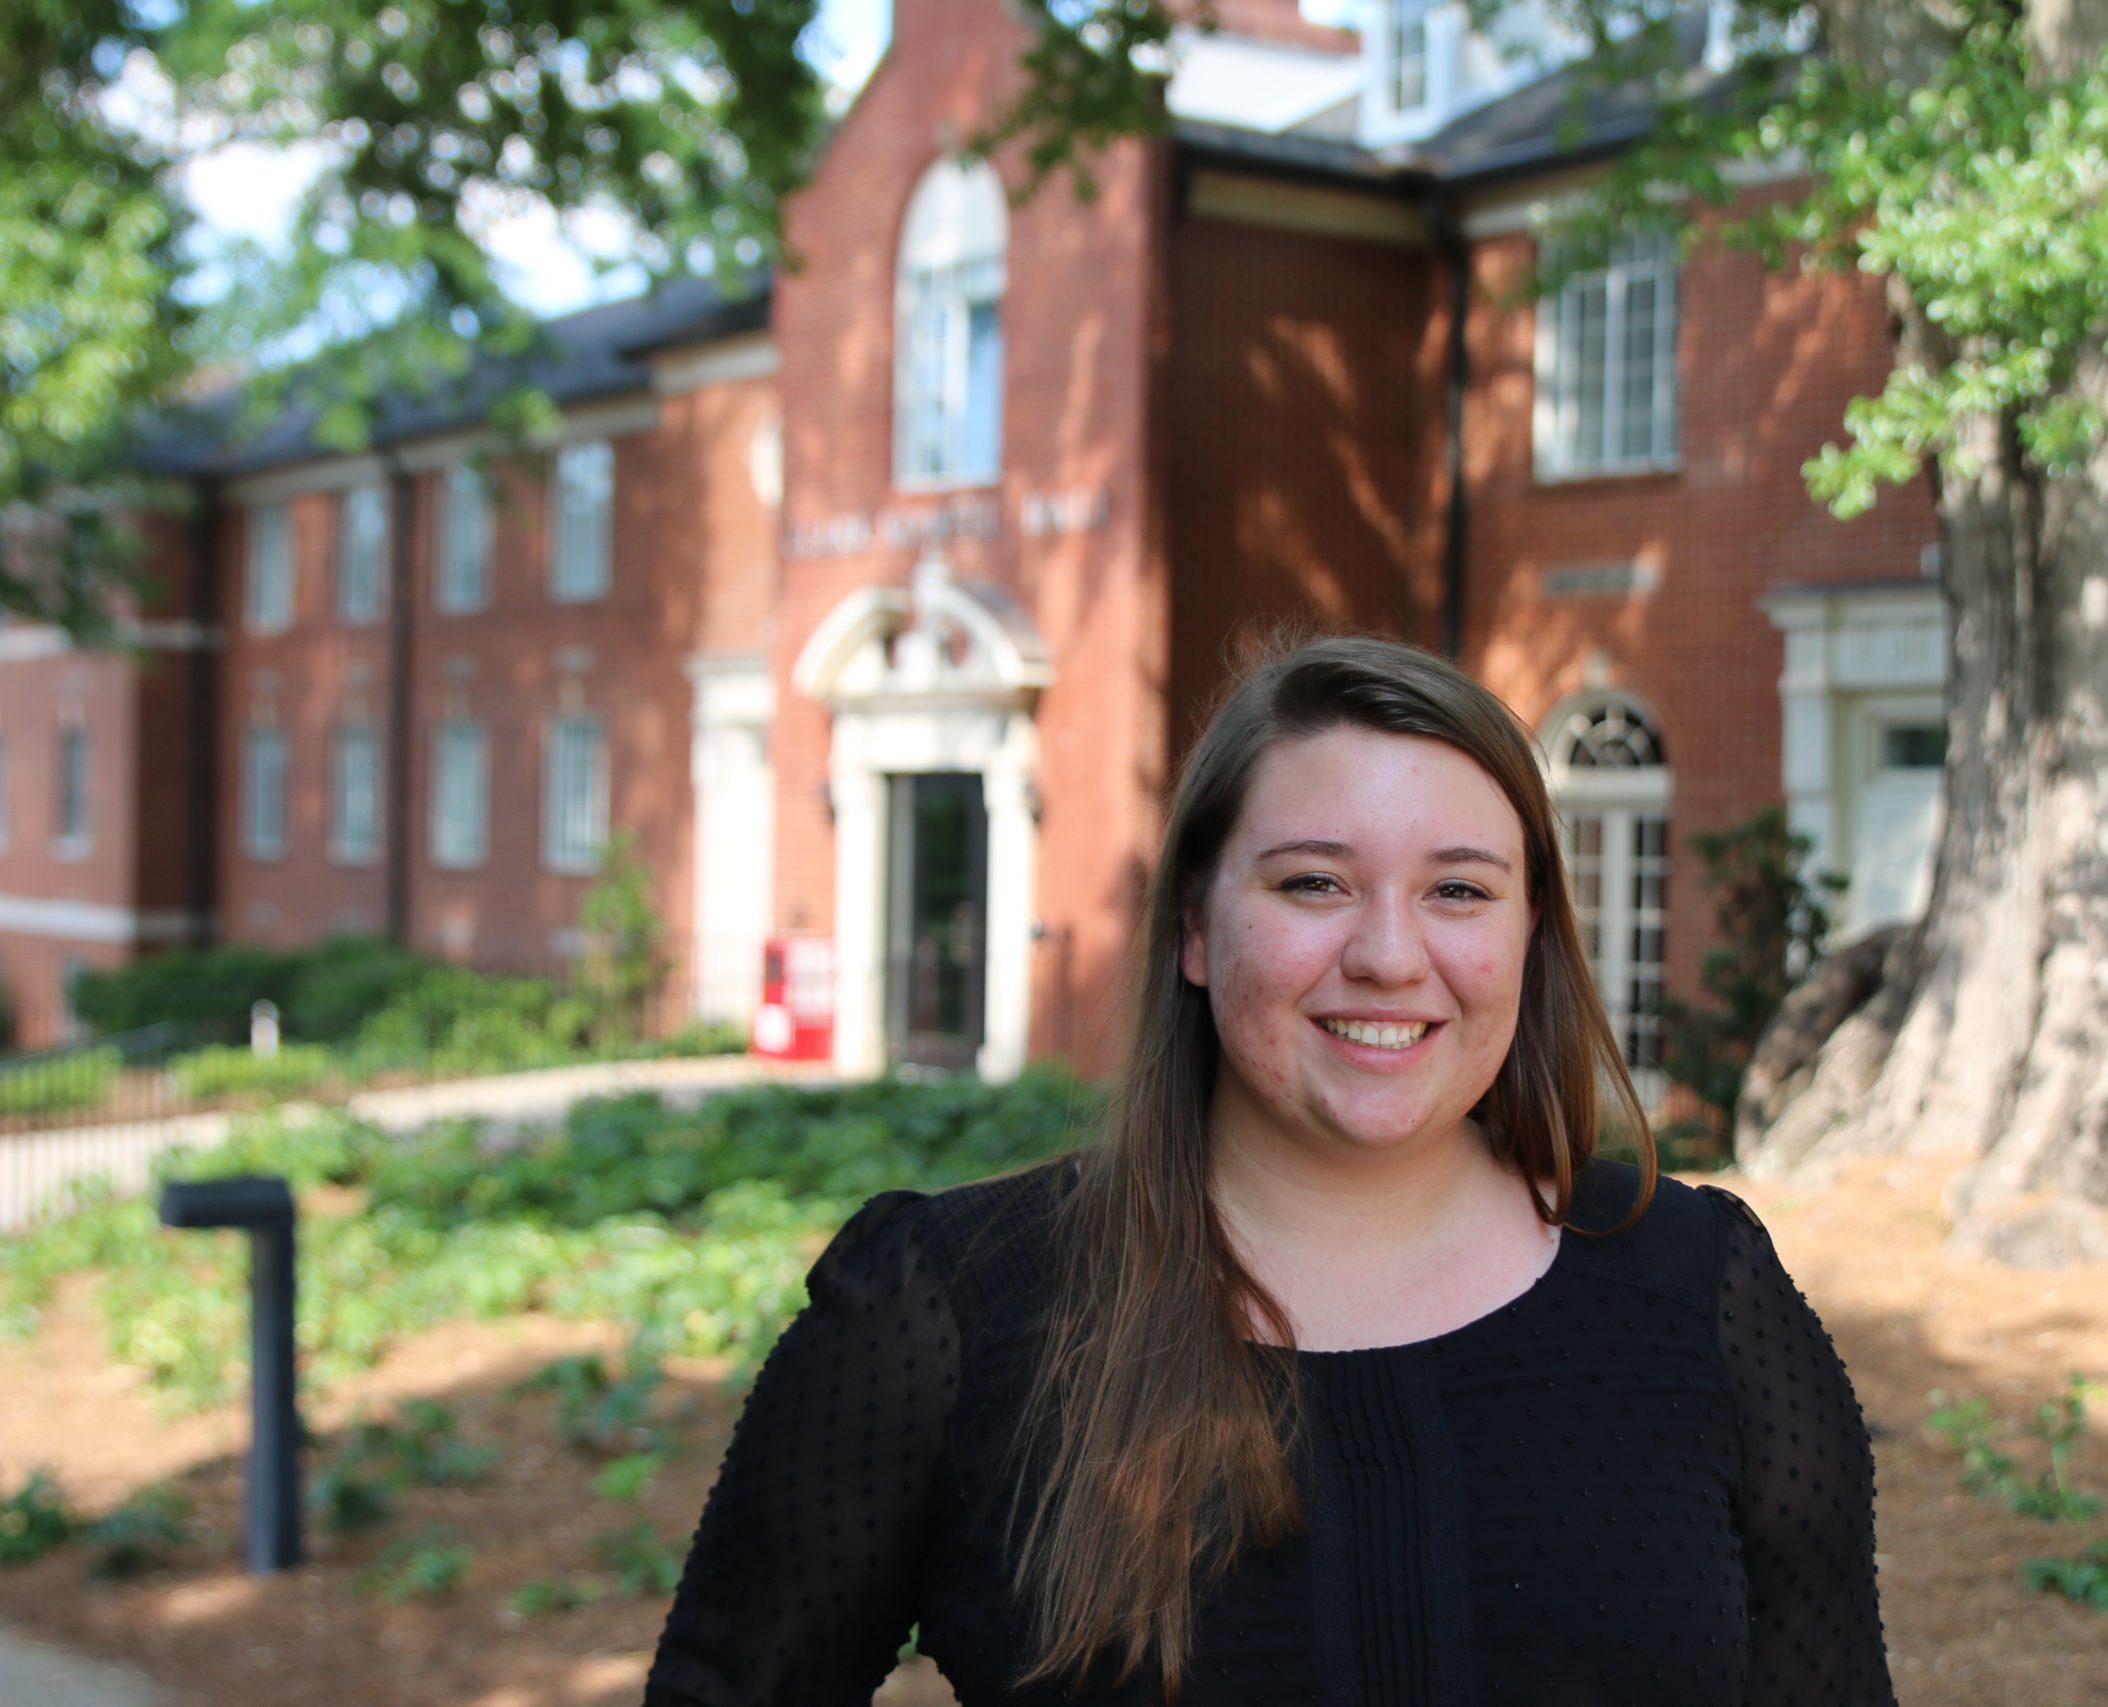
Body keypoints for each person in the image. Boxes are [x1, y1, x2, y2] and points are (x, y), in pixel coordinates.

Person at [645, 634, 1894, 1706]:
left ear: (1527, 932)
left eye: (1459, 889)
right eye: (1314, 883)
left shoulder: (1700, 1292)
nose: (1390, 956)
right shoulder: (943, 1315)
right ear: (1195, 927)